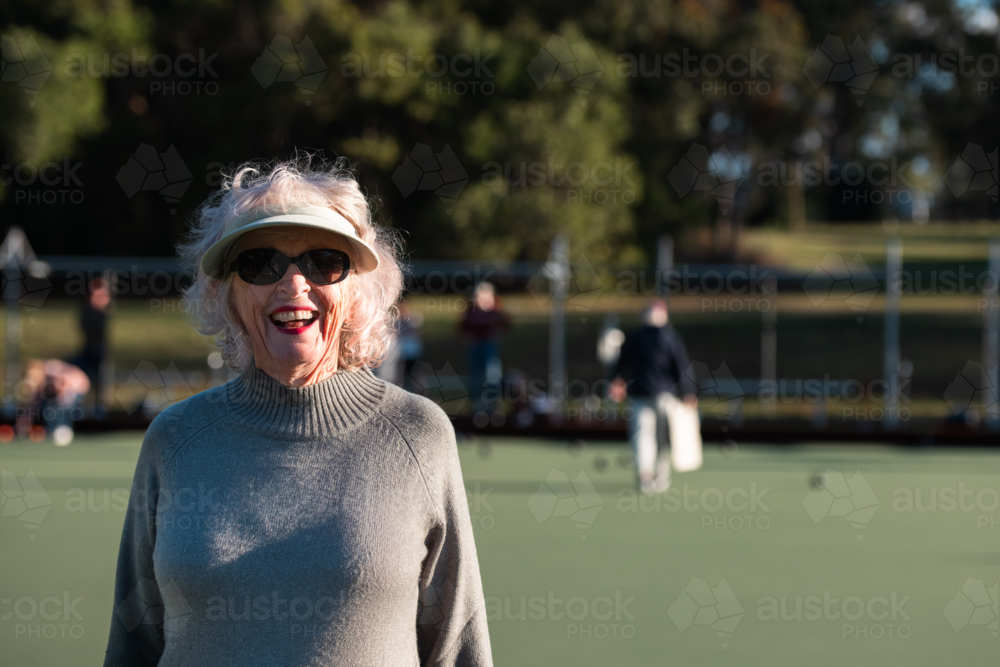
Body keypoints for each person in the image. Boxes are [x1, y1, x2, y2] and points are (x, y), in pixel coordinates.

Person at [103, 157, 493, 666]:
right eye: (260, 263)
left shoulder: (417, 434)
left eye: (324, 261)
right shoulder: (174, 439)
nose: (293, 285)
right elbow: (133, 645)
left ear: (355, 293)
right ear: (228, 295)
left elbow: (458, 647)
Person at [609, 298, 698, 494]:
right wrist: (689, 393)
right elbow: (682, 367)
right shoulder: (670, 337)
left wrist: (616, 381)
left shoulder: (634, 336)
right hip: (664, 396)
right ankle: (660, 475)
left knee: (642, 436)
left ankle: (645, 477)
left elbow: (620, 365)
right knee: (662, 438)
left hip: (640, 394)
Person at [458, 282, 509, 418]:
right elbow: (463, 328)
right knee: (476, 378)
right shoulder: (471, 312)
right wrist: (470, 338)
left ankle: (492, 408)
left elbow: (504, 325)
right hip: (475, 347)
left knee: (491, 377)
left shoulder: (495, 312)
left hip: (489, 347)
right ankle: (478, 409)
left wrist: (495, 334)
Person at [17, 358, 90, 445]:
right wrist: (24, 422)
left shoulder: (51, 368)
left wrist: (61, 399)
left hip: (77, 386)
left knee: (63, 408)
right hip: (64, 389)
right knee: (48, 409)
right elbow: (33, 404)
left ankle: (63, 432)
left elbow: (65, 382)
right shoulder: (42, 381)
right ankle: (53, 432)